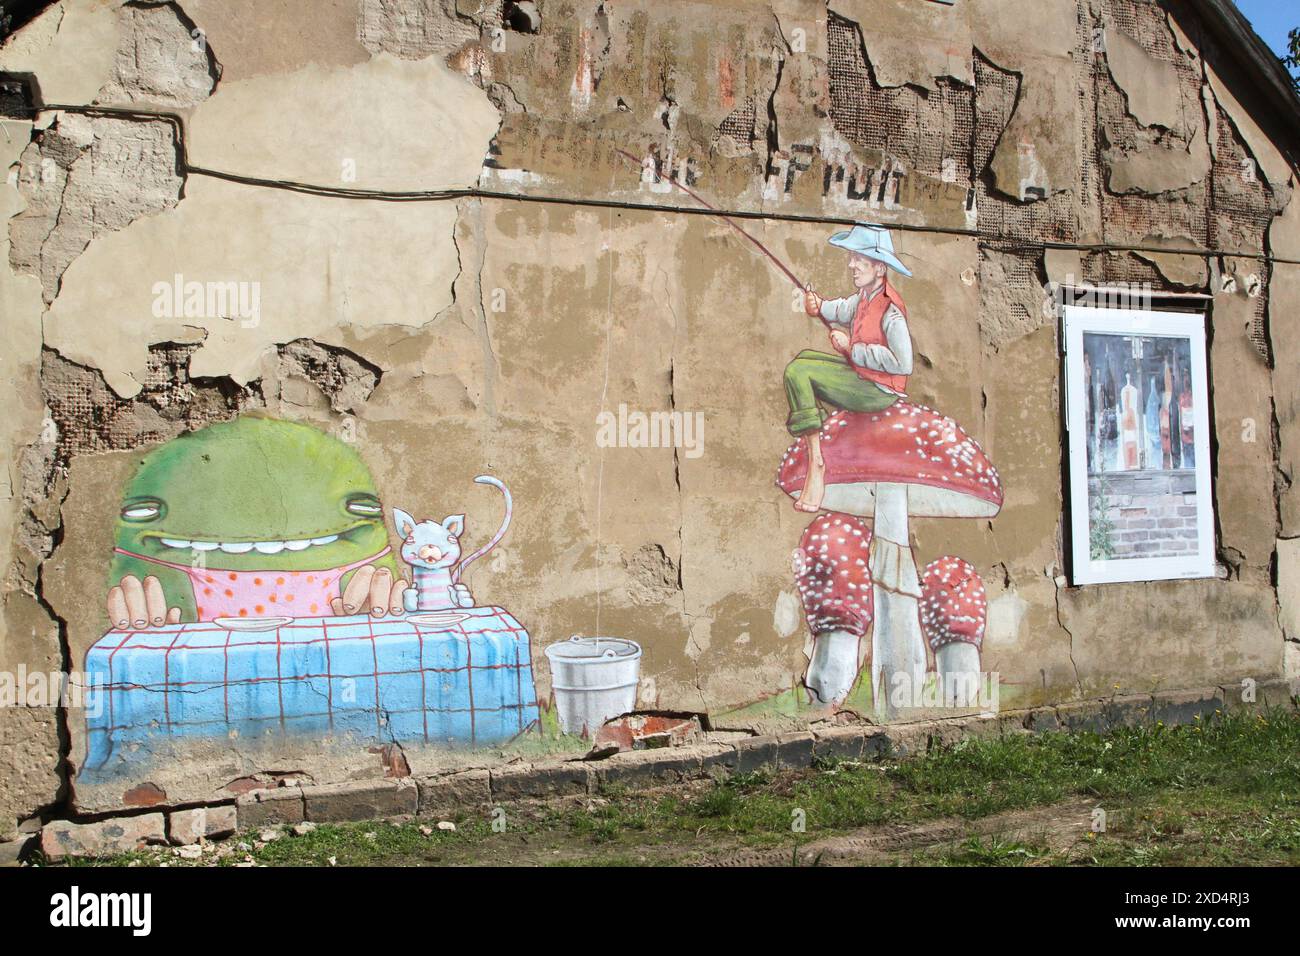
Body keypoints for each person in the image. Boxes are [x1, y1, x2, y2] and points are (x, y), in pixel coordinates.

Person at [783, 223, 914, 512]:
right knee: (803, 358)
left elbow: (903, 363)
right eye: (852, 257)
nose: (852, 264)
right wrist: (819, 306)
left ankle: (817, 462)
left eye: (859, 259)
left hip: (877, 390)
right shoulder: (865, 297)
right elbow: (842, 310)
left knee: (797, 372)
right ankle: (822, 435)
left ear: (880, 268)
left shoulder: (891, 312)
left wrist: (851, 349)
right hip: (863, 377)